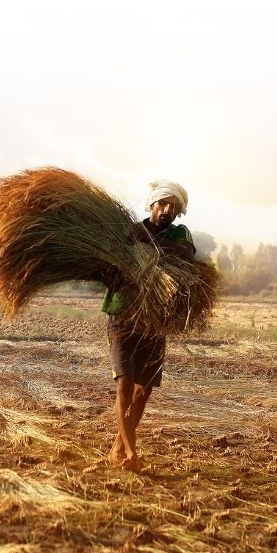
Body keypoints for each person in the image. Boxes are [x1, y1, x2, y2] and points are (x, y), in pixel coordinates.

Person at [100, 180, 196, 473]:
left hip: (156, 321)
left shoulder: (179, 234)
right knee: (125, 385)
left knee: (144, 391)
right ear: (151, 205)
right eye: (162, 204)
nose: (167, 210)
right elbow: (108, 267)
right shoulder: (128, 231)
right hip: (122, 316)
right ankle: (131, 452)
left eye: (173, 206)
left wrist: (149, 244)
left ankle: (119, 445)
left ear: (178, 212)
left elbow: (185, 255)